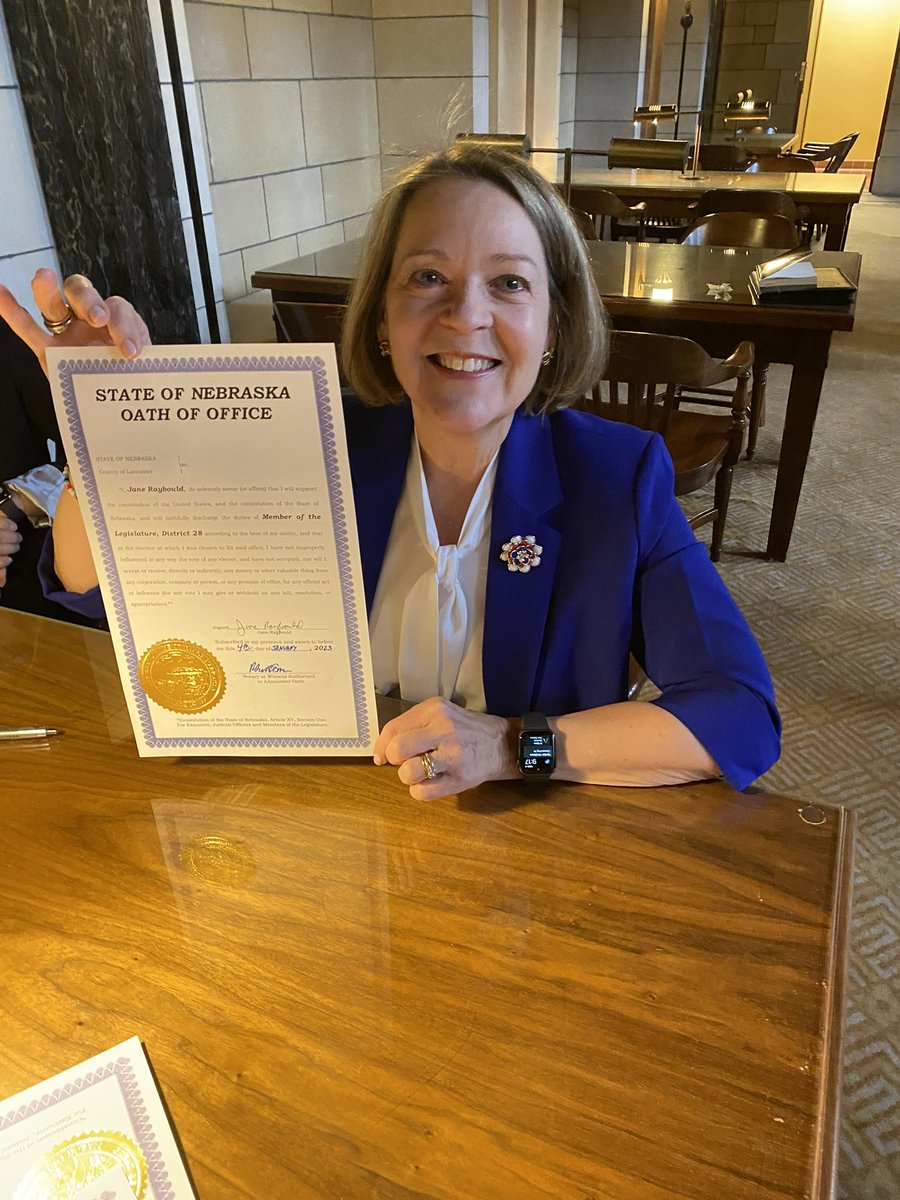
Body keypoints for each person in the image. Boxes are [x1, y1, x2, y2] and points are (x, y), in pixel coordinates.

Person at [0, 143, 780, 798]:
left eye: (509, 283)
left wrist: (513, 747)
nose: (465, 315)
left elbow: (737, 714)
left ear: (553, 323)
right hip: (310, 834)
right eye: (426, 278)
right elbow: (96, 588)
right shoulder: (300, 440)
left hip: (521, 862)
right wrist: (96, 423)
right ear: (381, 317)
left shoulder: (617, 477)